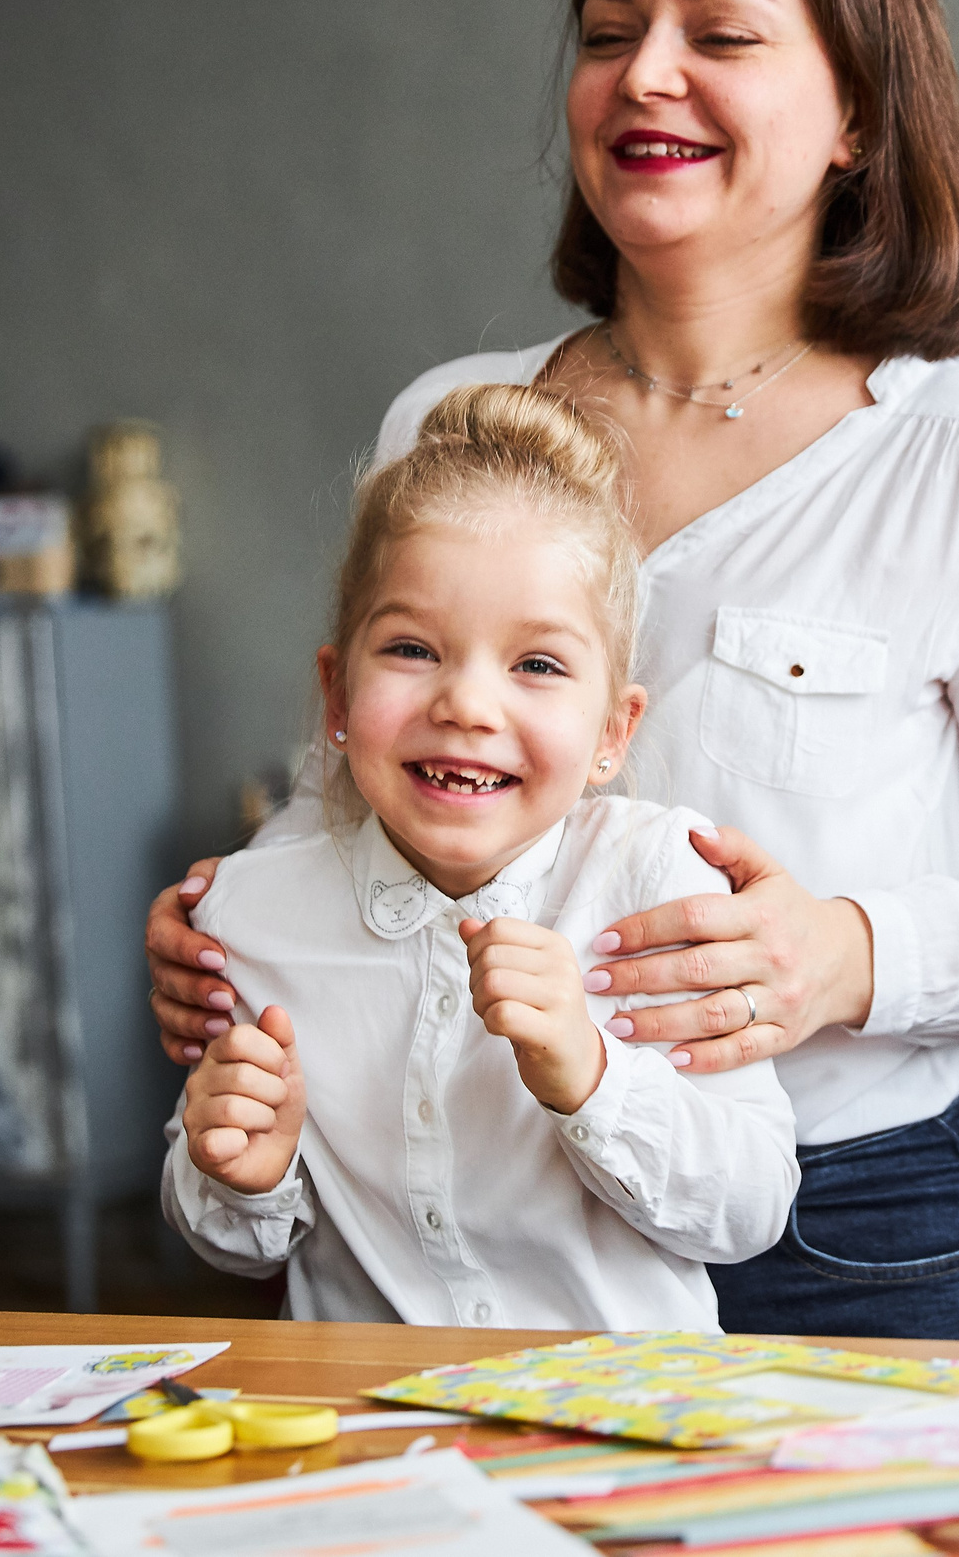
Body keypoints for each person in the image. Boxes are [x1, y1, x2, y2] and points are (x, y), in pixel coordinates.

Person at [153, 0, 959, 1343]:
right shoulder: (453, 420)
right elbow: (361, 787)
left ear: (855, 110)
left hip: (859, 1243)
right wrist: (231, 926)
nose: (646, 74)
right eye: (605, 31)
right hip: (480, 1249)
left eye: (719, 32)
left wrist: (849, 952)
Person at [166, 382, 798, 1328]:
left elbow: (751, 1208)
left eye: (537, 664)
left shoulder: (655, 888)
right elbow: (220, 1231)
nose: (467, 703)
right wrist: (240, 1175)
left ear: (611, 732)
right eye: (413, 648)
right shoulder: (249, 918)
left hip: (620, 1427)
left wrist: (590, 1072)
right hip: (372, 1430)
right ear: (337, 697)